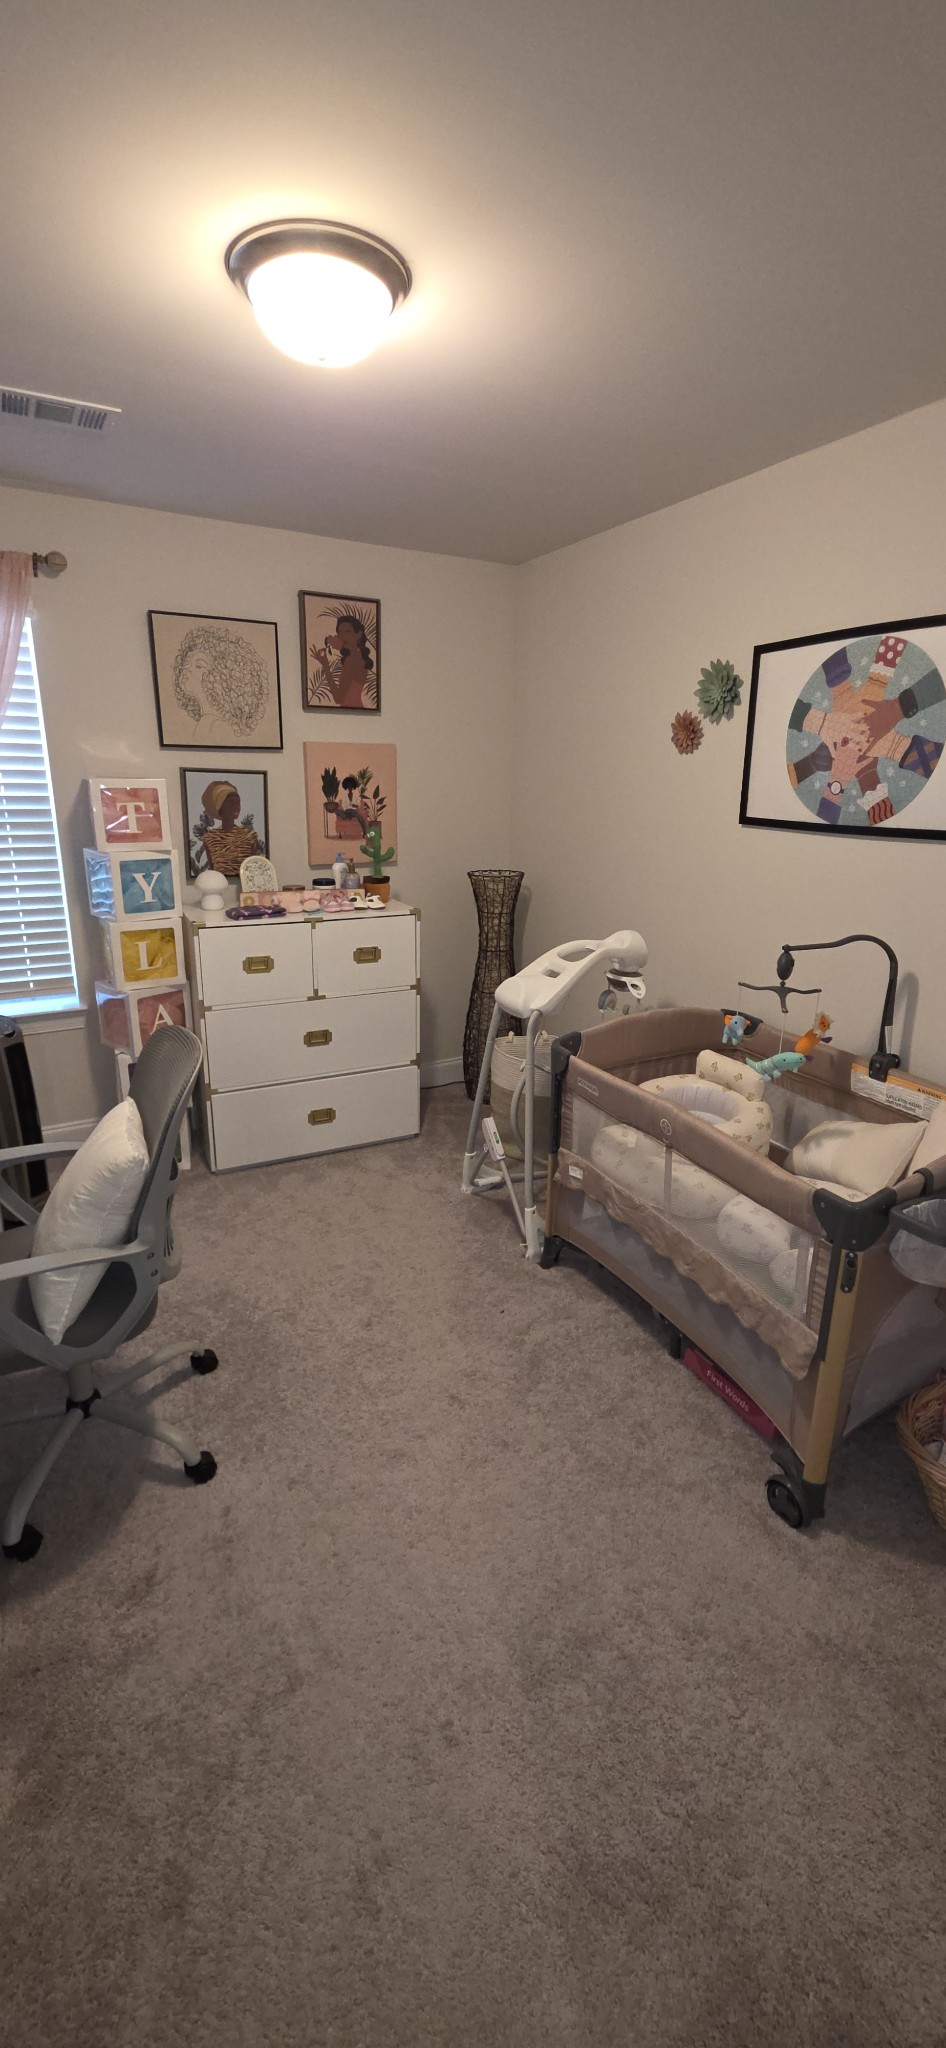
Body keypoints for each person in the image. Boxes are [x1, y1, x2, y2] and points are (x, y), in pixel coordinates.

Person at [309, 614, 376, 710]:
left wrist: (326, 666)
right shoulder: (358, 657)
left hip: (350, 710)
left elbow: (338, 699)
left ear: (359, 634)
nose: (343, 636)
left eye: (348, 631)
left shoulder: (351, 660)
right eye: (340, 632)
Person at [198, 780, 263, 877]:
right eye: (231, 803)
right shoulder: (210, 838)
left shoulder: (249, 836)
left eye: (238, 803)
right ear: (220, 806)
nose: (237, 807)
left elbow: (253, 870)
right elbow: (213, 871)